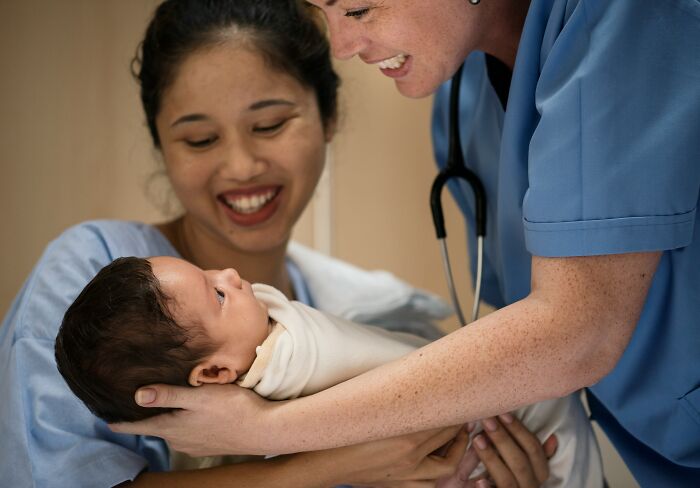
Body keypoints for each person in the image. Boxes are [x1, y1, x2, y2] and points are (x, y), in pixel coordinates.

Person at [111, 0, 700, 486]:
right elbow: (518, 337)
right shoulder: (461, 97)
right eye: (325, 12)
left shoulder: (623, 19)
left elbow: (578, 331)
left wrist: (263, 430)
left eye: (360, 10)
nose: (342, 47)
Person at [0, 0, 563, 486]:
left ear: (328, 117)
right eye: (199, 138)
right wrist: (332, 462)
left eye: (269, 125)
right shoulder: (92, 282)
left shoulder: (355, 312)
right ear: (160, 145)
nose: (241, 165)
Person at [55, 254, 602, 487]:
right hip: (517, 415)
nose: (230, 273)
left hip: (503, 409)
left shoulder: (256, 396)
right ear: (216, 374)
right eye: (218, 292)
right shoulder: (285, 365)